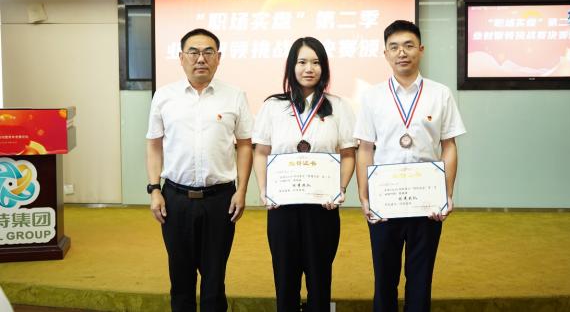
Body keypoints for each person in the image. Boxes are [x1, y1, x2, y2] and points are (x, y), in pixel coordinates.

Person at [354, 20, 466, 312]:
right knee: (384, 279)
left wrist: (446, 194)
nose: (401, 53)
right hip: (385, 201)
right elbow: (365, 148)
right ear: (385, 54)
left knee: (420, 279)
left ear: (421, 49)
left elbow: (449, 146)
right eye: (394, 47)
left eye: (408, 45)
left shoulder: (440, 94)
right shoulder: (372, 96)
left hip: (426, 202)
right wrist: (365, 197)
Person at [146, 28, 254, 312]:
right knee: (180, 278)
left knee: (214, 279)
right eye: (193, 52)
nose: (201, 59)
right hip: (175, 200)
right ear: (181, 57)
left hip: (220, 200)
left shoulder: (234, 96)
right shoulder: (164, 96)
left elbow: (245, 145)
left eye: (208, 52)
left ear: (218, 58)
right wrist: (154, 189)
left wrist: (242, 191)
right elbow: (154, 145)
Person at [252, 37, 356, 312]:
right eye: (302, 62)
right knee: (285, 279)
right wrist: (264, 190)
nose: (309, 68)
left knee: (320, 280)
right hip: (282, 207)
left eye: (315, 62)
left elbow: (348, 154)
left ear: (324, 68)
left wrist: (340, 188)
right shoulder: (273, 106)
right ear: (291, 67)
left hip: (323, 207)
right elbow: (261, 152)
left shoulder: (339, 107)